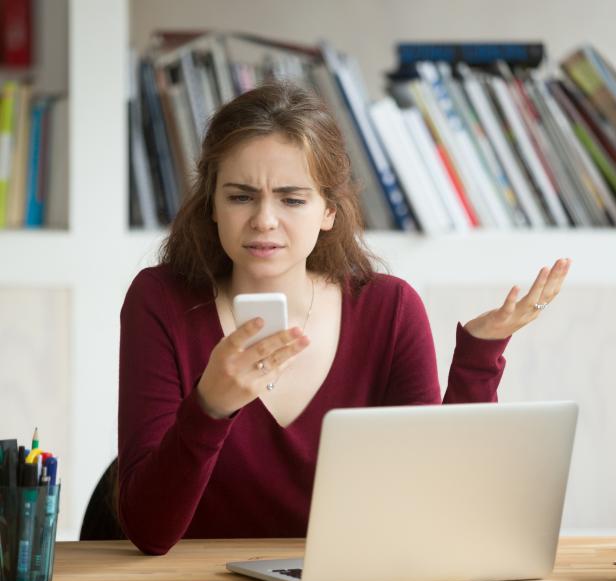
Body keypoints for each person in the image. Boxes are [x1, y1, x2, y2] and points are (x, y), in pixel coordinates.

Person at [118, 81, 571, 555]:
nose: (264, 220)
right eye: (240, 197)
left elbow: (437, 507)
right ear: (211, 202)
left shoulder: (389, 310)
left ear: (329, 211)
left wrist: (477, 360)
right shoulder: (160, 300)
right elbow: (149, 531)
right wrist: (209, 407)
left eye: (292, 199)